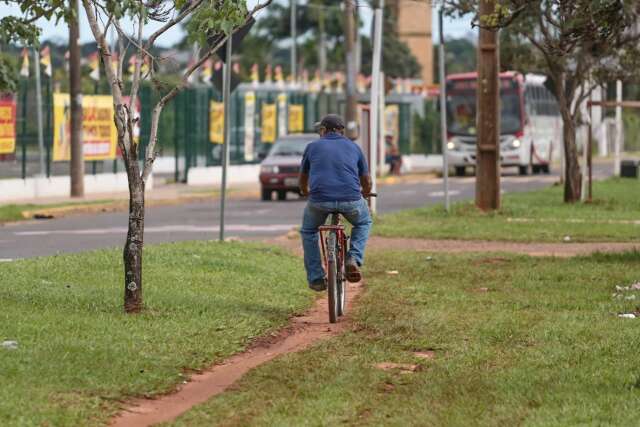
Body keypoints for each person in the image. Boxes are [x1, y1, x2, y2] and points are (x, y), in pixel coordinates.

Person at [299, 114, 373, 291]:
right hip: (351, 200)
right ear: (341, 131)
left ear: (323, 130)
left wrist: (305, 191)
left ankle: (316, 277)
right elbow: (367, 180)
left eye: (320, 129)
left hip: (319, 201)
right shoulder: (354, 147)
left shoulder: (312, 147)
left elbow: (303, 177)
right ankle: (353, 258)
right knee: (364, 222)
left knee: (308, 231)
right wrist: (366, 193)